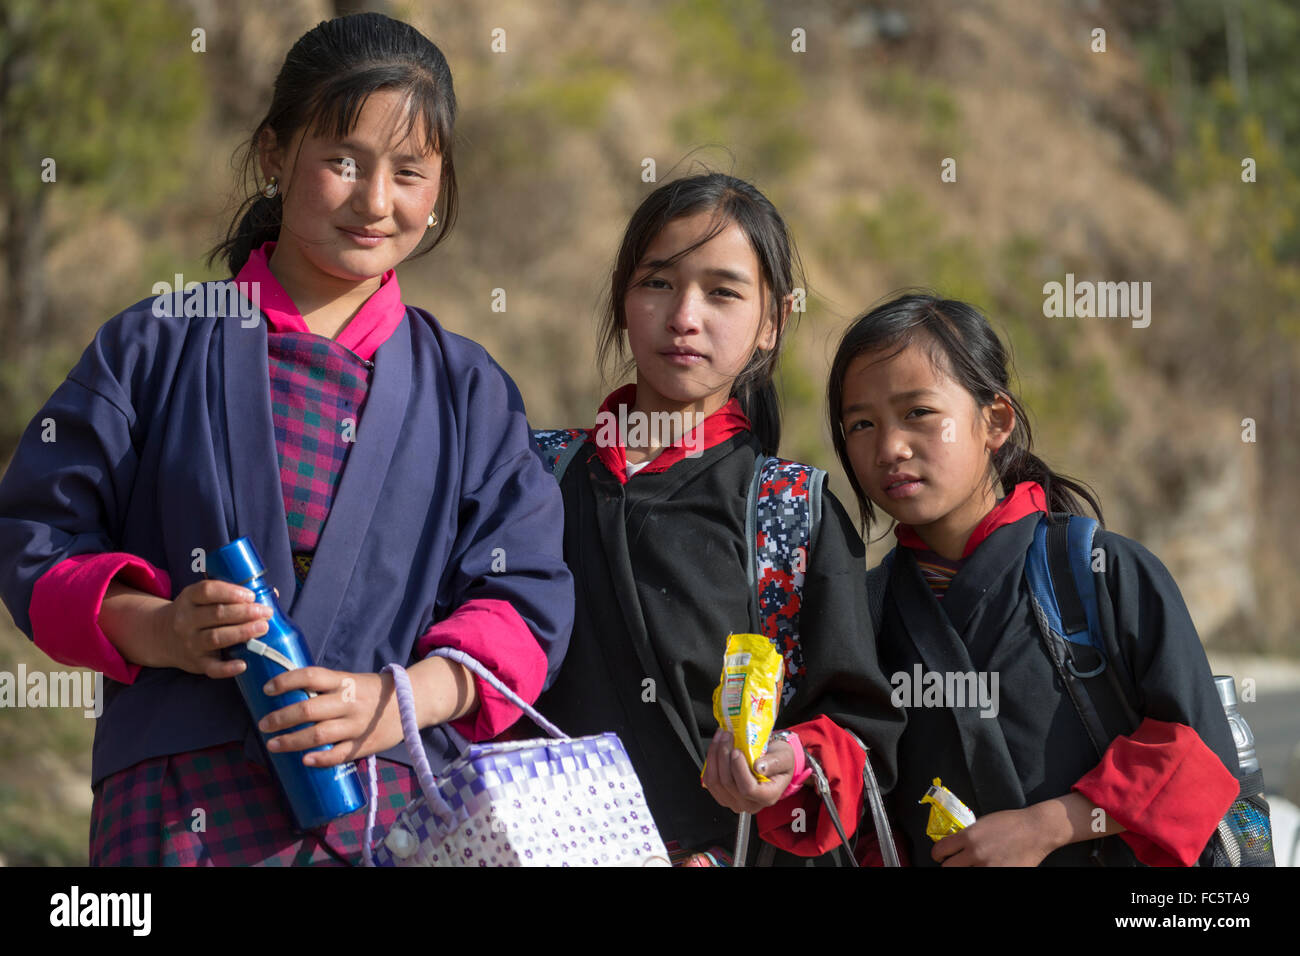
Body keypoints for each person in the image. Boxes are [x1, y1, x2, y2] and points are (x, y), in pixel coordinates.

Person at [0, 12, 572, 866]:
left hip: (392, 815)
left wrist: (397, 700)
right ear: (274, 154)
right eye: (343, 161)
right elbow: (36, 540)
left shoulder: (469, 392)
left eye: (410, 173)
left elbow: (524, 604)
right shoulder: (154, 346)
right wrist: (157, 628)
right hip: (175, 816)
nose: (377, 202)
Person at [531, 173, 903, 865]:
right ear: (621, 299)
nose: (684, 317)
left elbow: (860, 732)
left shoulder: (793, 512)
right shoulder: (535, 477)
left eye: (723, 292)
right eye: (659, 283)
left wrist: (786, 761)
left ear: (772, 323)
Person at [824, 291, 1240, 866]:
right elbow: (861, 812)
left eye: (918, 413)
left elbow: (1200, 760)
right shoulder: (866, 613)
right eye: (861, 424)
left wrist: (1050, 825)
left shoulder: (1100, 574)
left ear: (995, 420)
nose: (890, 447)